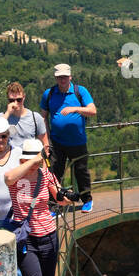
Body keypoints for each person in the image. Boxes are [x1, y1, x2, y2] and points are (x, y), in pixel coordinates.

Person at [4, 139, 78, 276]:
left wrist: (68, 197)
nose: (36, 164)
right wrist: (33, 161)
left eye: (38, 160)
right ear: (23, 159)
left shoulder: (46, 175)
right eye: (32, 160)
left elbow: (59, 197)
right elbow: (7, 178)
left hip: (49, 236)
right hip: (27, 240)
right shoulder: (16, 177)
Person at [41, 64, 96, 212]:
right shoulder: (49, 94)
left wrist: (75, 109)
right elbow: (43, 117)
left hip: (77, 141)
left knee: (81, 172)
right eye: (59, 77)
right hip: (56, 142)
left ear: (70, 77)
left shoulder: (80, 91)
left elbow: (92, 110)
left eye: (65, 76)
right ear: (55, 78)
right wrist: (46, 140)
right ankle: (54, 205)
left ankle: (87, 200)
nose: (62, 79)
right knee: (54, 174)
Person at [0, 82, 46, 154]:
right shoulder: (1, 118)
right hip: (8, 161)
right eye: (12, 100)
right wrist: (8, 113)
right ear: (8, 100)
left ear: (24, 97)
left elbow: (45, 143)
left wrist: (44, 163)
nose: (15, 103)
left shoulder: (35, 118)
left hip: (29, 160)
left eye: (19, 100)